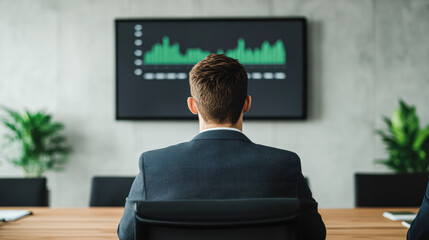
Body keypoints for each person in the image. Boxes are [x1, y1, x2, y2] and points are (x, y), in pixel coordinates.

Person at [117, 53, 326, 239]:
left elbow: (127, 234)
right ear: (247, 103)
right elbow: (315, 234)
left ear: (192, 105)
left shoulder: (154, 165)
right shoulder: (284, 164)